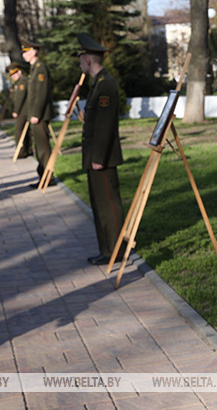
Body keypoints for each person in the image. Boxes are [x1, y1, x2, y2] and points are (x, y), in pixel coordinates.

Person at [77, 34, 125, 267]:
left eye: (81, 58)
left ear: (88, 60)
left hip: (101, 158)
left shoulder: (105, 85)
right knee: (99, 204)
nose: (79, 63)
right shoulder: (97, 84)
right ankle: (107, 249)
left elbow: (105, 127)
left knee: (109, 204)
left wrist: (98, 158)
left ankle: (116, 248)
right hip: (94, 157)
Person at [21, 39, 53, 188]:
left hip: (39, 116)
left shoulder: (40, 69)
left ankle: (48, 177)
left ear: (34, 52)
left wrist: (36, 114)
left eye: (26, 52)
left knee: (43, 147)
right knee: (38, 148)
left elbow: (41, 93)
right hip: (34, 115)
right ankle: (43, 176)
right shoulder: (34, 69)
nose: (24, 55)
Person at [8, 62, 33, 158]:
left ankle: (22, 152)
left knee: (19, 131)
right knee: (25, 131)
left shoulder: (23, 82)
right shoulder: (18, 83)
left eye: (14, 74)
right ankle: (28, 150)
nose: (13, 76)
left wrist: (16, 111)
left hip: (24, 110)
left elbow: (19, 98)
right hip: (24, 110)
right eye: (11, 75)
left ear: (19, 72)